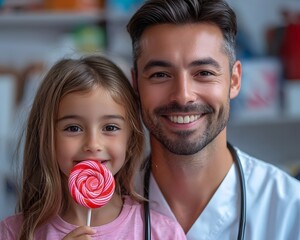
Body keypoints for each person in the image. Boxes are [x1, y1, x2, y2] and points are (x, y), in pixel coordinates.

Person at [127, 0, 300, 239]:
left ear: (235, 80)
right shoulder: (99, 209)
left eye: (204, 73)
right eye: (160, 75)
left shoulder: (290, 209)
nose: (183, 95)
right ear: (136, 84)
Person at [0, 55, 186, 240]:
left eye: (110, 127)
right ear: (46, 137)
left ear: (130, 139)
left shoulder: (162, 233)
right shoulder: (13, 232)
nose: (92, 144)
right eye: (73, 128)